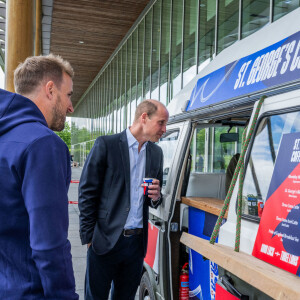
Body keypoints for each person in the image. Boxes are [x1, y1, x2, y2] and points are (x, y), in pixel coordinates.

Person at [0, 54, 78, 299]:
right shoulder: (42, 144)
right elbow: (49, 245)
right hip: (30, 290)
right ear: (50, 90)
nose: (70, 107)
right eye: (69, 95)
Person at [78, 100, 169, 300]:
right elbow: (87, 192)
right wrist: (89, 238)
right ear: (144, 117)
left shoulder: (156, 153)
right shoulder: (106, 145)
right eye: (161, 123)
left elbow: (155, 198)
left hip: (135, 245)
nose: (164, 129)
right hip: (104, 240)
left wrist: (156, 196)